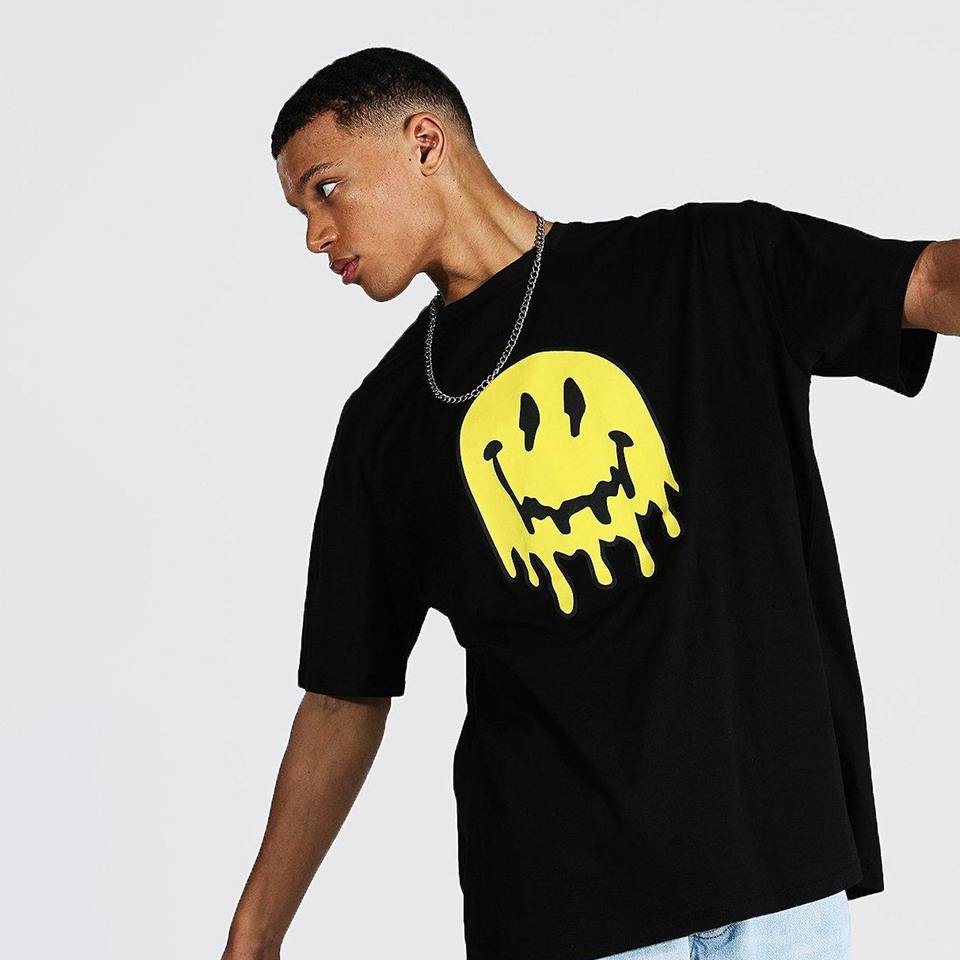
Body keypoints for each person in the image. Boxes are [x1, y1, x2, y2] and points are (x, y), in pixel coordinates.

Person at [221, 47, 957, 960]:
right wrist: (254, 936)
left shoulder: (705, 265)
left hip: (782, 885)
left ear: (424, 142)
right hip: (563, 907)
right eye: (300, 211)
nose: (314, 235)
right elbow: (343, 696)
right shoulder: (384, 423)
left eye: (325, 189)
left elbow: (931, 283)